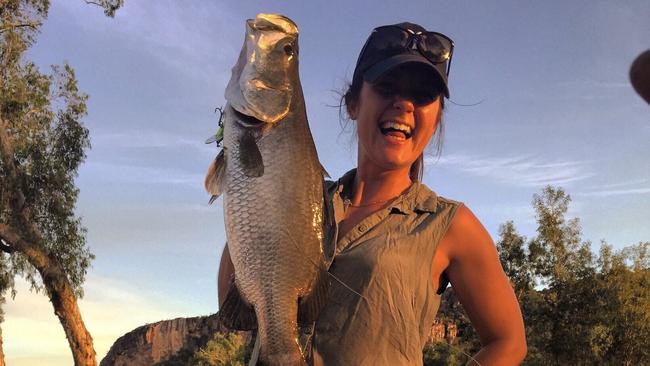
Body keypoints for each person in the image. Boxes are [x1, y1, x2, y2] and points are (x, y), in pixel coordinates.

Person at [219, 21, 527, 365]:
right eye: (386, 87)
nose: (404, 104)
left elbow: (508, 341)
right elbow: (234, 303)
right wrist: (249, 179)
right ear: (353, 104)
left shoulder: (452, 226)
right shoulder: (303, 198)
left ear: (437, 117)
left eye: (422, 95)